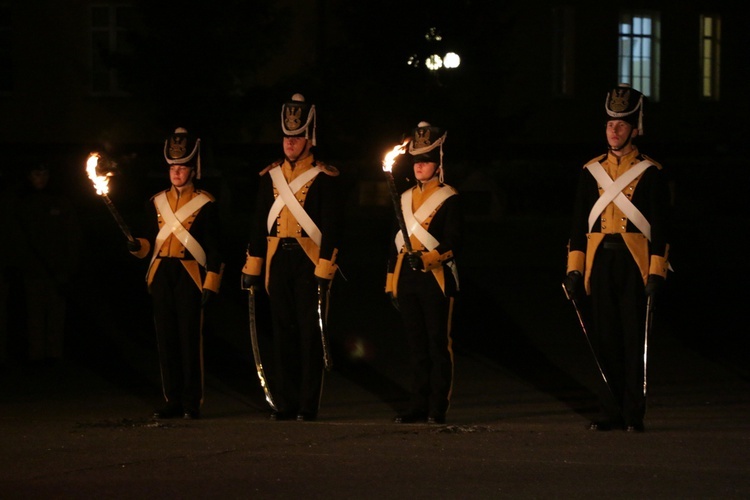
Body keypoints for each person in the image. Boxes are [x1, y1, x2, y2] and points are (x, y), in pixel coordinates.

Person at [562, 83, 671, 433]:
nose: (614, 130)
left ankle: (633, 414)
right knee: (605, 339)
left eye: (622, 124)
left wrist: (656, 271)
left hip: (634, 266)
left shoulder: (651, 173)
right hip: (601, 264)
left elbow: (661, 228)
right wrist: (575, 269)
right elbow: (578, 225)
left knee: (632, 338)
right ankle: (610, 410)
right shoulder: (590, 171)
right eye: (610, 123)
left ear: (635, 128)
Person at [241, 93, 342, 422]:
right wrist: (252, 266)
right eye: (286, 136)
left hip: (309, 260)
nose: (290, 143)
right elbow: (258, 225)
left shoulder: (324, 177)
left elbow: (331, 226)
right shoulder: (270, 177)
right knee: (282, 333)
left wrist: (326, 267)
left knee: (309, 334)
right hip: (277, 262)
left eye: (297, 137)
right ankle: (285, 402)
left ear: (309, 138)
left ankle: (307, 404)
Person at [128, 127, 224, 420]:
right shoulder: (156, 202)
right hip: (161, 274)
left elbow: (216, 247)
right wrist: (137, 246)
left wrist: (212, 282)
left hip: (190, 274)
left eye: (182, 167)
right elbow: (149, 244)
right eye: (172, 167)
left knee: (189, 339)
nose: (176, 172)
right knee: (166, 338)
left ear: (193, 169)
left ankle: (191, 401)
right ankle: (172, 399)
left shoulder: (206, 203)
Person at [386, 121, 462, 425]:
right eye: (416, 160)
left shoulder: (449, 197)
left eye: (427, 160)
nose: (420, 166)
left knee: (437, 344)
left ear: (438, 163)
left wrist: (429, 259)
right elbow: (393, 245)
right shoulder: (403, 198)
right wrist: (391, 283)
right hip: (407, 278)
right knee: (415, 346)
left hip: (436, 279)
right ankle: (417, 404)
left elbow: (454, 242)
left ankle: (437, 406)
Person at [13, 163, 81, 364]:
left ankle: (54, 356)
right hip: (33, 270)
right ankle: (36, 357)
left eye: (44, 174)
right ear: (29, 176)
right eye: (36, 173)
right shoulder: (23, 203)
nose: (41, 178)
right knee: (34, 315)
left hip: (58, 271)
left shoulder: (61, 202)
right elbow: (19, 237)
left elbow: (73, 236)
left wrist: (69, 267)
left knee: (55, 314)